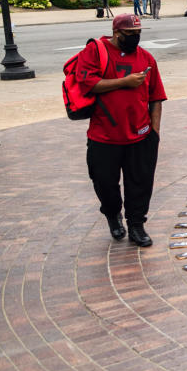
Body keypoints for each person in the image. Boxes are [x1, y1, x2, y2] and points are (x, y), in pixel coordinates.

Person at [76, 13, 167, 247]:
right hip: (103, 136)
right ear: (117, 32)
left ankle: (137, 225)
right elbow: (87, 83)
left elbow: (156, 97)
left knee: (140, 183)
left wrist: (154, 132)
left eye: (138, 33)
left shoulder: (146, 58)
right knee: (104, 183)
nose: (135, 38)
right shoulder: (95, 51)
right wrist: (124, 82)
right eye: (130, 34)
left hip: (141, 135)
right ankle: (112, 214)